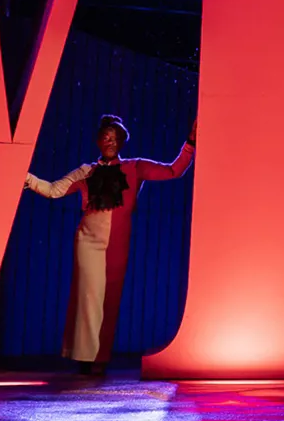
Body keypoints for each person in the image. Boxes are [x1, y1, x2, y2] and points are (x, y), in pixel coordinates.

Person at [22, 116, 192, 369]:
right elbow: (53, 190)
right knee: (88, 299)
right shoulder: (86, 171)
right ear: (98, 141)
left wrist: (191, 143)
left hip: (116, 245)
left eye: (114, 137)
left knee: (108, 301)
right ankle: (85, 358)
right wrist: (23, 176)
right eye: (105, 137)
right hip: (87, 242)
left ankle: (99, 357)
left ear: (121, 141)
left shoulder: (135, 168)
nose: (109, 141)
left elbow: (173, 170)